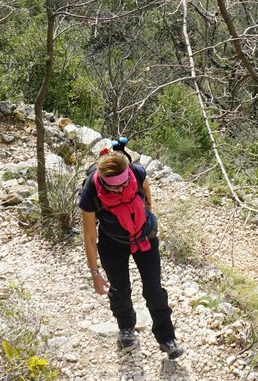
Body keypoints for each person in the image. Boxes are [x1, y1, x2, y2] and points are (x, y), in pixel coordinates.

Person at [79, 147, 184, 359]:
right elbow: (89, 238)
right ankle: (126, 327)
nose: (120, 190)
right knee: (119, 289)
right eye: (114, 188)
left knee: (154, 290)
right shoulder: (90, 191)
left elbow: (147, 200)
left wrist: (145, 223)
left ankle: (166, 338)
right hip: (112, 244)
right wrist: (95, 274)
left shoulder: (136, 173)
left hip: (144, 238)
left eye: (124, 184)